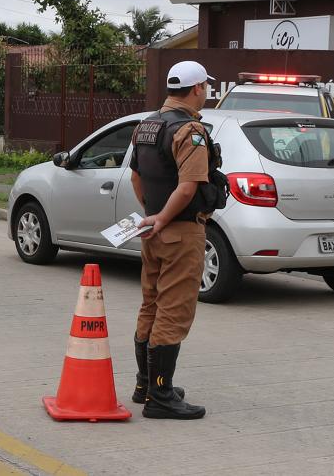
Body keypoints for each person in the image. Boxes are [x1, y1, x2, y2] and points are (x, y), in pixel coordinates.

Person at [129, 60, 223, 420]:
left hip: (152, 231)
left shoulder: (147, 125)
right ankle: (162, 396)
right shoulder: (190, 131)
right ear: (197, 88)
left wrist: (152, 215)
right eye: (206, 87)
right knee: (174, 309)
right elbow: (189, 187)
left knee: (151, 304)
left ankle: (145, 385)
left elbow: (137, 178)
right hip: (181, 230)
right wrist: (166, 217)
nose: (207, 93)